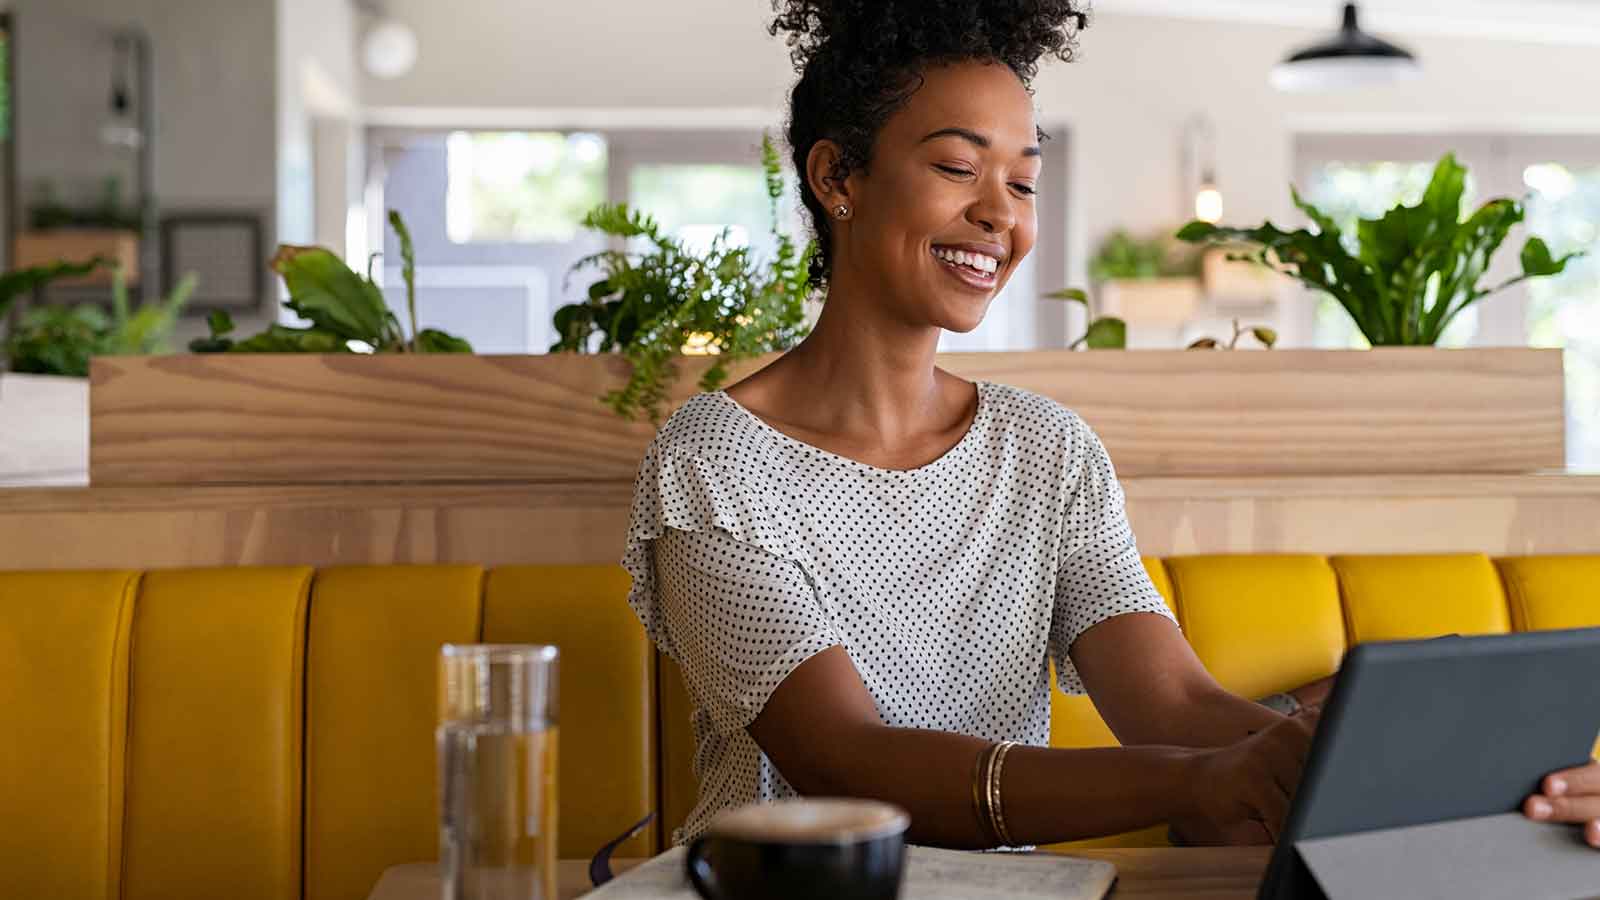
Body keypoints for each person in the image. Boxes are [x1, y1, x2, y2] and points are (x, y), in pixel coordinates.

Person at [621, 0, 1600, 851]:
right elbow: (851, 763)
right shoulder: (714, 466)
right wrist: (1198, 781)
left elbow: (1169, 703)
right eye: (958, 167)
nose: (998, 215)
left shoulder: (1043, 449)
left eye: (1023, 181)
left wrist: (1475, 774)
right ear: (837, 175)